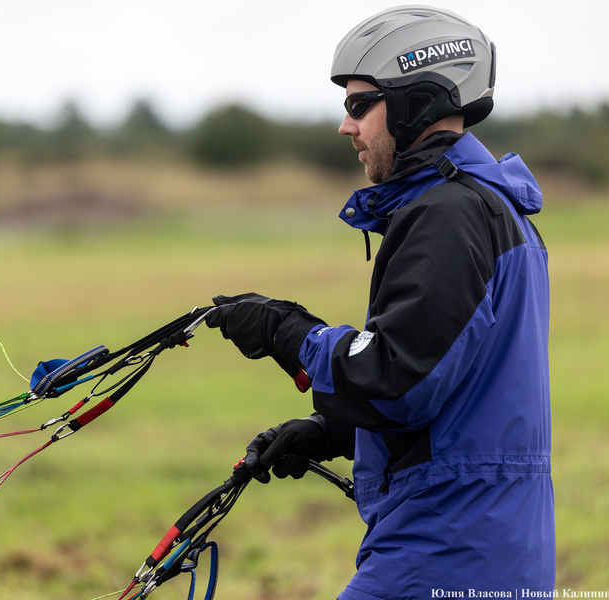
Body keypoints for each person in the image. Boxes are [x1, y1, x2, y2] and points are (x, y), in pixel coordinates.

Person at [205, 5, 555, 598]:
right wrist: (333, 432)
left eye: (360, 104)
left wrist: (284, 330)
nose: (346, 126)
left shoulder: (449, 215)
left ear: (417, 102)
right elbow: (461, 387)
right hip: (486, 539)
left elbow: (397, 379)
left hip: (445, 548)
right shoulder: (488, 206)